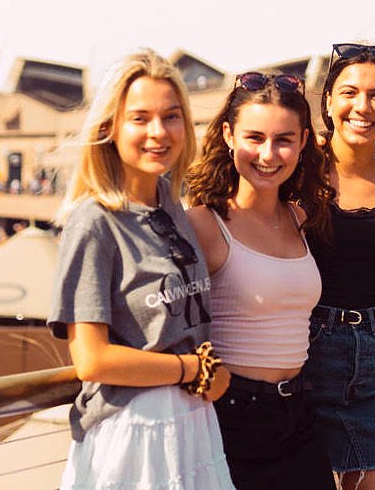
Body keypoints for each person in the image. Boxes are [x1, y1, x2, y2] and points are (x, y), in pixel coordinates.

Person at [47, 50, 235, 489]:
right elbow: (91, 358)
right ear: (110, 128)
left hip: (193, 425)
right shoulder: (94, 221)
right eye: (140, 118)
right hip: (134, 432)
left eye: (171, 117)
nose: (158, 132)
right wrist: (192, 369)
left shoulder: (171, 205)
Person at [185, 70, 335, 489]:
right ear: (229, 136)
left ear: (303, 141)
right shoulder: (203, 224)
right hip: (231, 416)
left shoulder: (301, 218)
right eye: (254, 137)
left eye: (284, 140)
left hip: (300, 413)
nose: (268, 154)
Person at [302, 43, 375, 489]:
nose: (362, 107)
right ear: (329, 101)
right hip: (303, 355)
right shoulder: (296, 172)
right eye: (349, 92)